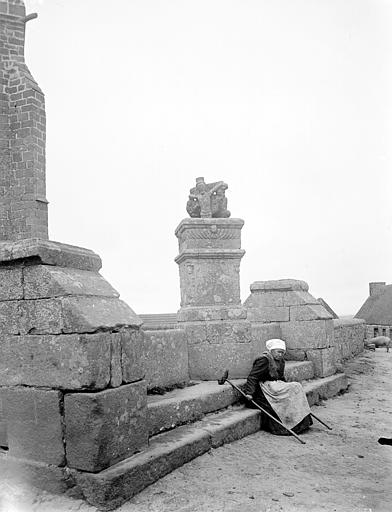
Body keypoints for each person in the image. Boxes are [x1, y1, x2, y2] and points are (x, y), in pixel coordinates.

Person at [243, 338, 313, 435]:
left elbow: (281, 377)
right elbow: (253, 377)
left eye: (282, 352)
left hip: (275, 386)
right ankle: (285, 425)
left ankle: (299, 421)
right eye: (278, 352)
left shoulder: (280, 361)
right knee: (294, 387)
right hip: (263, 388)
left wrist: (285, 385)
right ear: (271, 351)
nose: (280, 354)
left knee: (296, 388)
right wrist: (249, 393)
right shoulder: (264, 360)